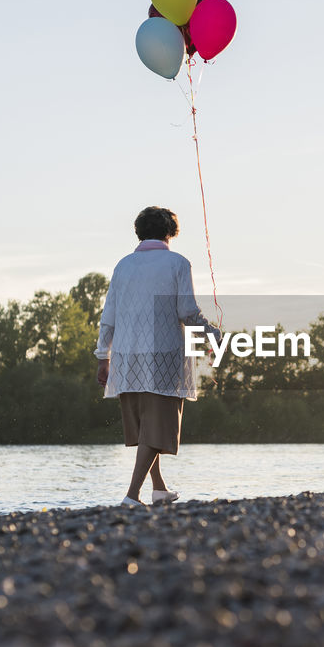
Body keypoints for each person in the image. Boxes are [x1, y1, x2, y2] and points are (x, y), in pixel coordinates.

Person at [94, 206, 219, 507]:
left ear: (139, 231)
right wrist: (212, 333)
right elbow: (187, 312)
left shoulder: (123, 265)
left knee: (146, 426)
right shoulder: (178, 263)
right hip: (163, 355)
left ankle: (159, 489)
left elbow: (108, 315)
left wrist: (103, 355)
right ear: (170, 232)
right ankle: (132, 495)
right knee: (157, 427)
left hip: (126, 356)